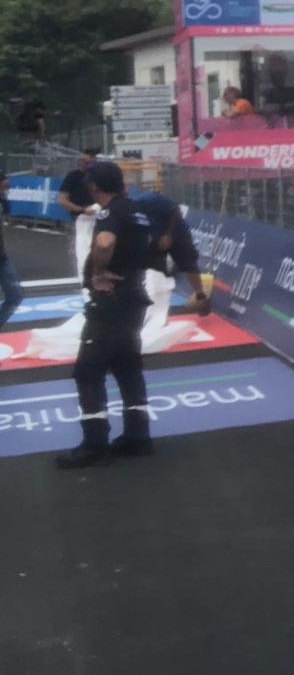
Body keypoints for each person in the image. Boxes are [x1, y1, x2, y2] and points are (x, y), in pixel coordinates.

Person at [57, 161, 155, 469]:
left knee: (88, 371)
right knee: (127, 367)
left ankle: (95, 444)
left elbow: (104, 242)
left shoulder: (110, 213)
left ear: (94, 187)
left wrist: (98, 272)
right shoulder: (137, 211)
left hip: (111, 300)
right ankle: (138, 436)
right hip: (135, 296)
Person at [132, 188, 209, 314]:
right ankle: (151, 299)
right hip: (156, 237)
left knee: (188, 264)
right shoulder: (128, 213)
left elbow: (175, 210)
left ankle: (201, 296)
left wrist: (168, 234)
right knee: (149, 266)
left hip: (177, 233)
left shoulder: (150, 199)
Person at [57, 147, 100, 278]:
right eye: (89, 156)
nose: (92, 160)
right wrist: (81, 210)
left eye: (94, 157)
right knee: (82, 250)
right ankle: (83, 276)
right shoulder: (73, 176)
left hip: (99, 216)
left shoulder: (98, 176)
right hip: (80, 218)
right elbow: (62, 200)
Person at [0, 174, 20, 331]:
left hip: (1, 256)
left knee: (15, 296)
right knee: (15, 296)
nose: (6, 189)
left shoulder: (3, 202)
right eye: (4, 186)